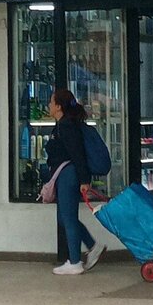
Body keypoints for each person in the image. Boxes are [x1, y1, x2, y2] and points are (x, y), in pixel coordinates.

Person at [45, 89, 106, 276]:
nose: (48, 105)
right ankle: (92, 246)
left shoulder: (66, 126)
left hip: (68, 175)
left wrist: (84, 180)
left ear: (58, 106)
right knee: (63, 218)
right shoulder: (64, 125)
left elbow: (77, 154)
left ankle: (75, 261)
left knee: (68, 218)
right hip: (66, 174)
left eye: (51, 102)